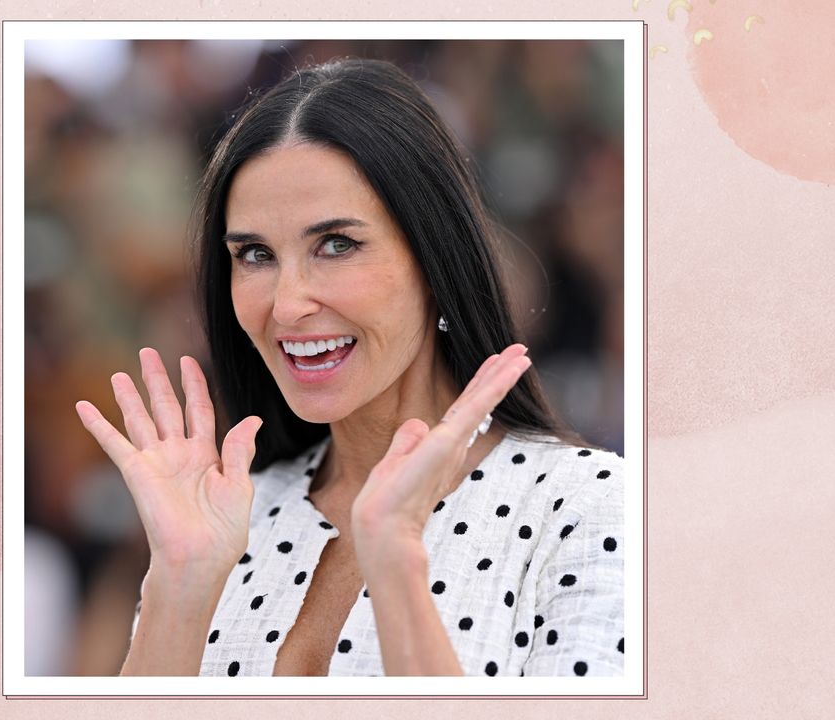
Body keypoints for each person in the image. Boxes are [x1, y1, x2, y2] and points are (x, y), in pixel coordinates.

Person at [74, 58, 624, 677]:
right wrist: (177, 585)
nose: (286, 304)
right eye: (255, 254)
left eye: (336, 245)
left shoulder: (588, 505)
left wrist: (395, 569)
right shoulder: (230, 518)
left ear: (435, 259)